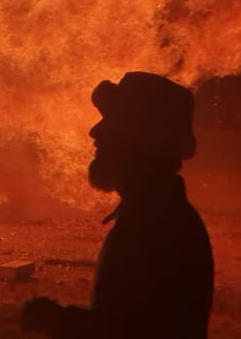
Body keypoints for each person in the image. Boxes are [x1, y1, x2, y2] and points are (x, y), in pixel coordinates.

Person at [20, 71, 214, 338]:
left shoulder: (153, 227)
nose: (95, 132)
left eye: (113, 123)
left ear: (141, 140)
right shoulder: (158, 216)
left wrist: (60, 322)